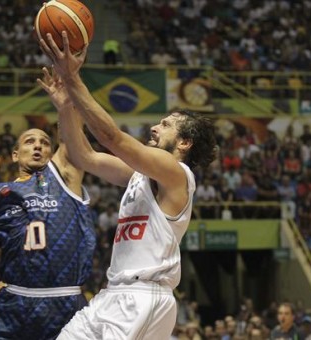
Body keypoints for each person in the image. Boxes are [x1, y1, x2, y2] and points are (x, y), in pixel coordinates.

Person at [38, 31, 217, 339]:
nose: (154, 127)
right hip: (113, 294)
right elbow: (84, 156)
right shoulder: (140, 175)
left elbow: (112, 138)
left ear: (184, 142)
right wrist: (66, 107)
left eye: (165, 125)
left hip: (144, 296)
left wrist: (72, 78)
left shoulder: (177, 173)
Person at [0, 102, 97, 338]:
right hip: (17, 295)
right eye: (30, 141)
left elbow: (71, 137)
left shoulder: (66, 179)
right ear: (15, 155)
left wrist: (64, 102)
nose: (38, 145)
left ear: (52, 154)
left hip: (65, 297)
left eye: (45, 142)